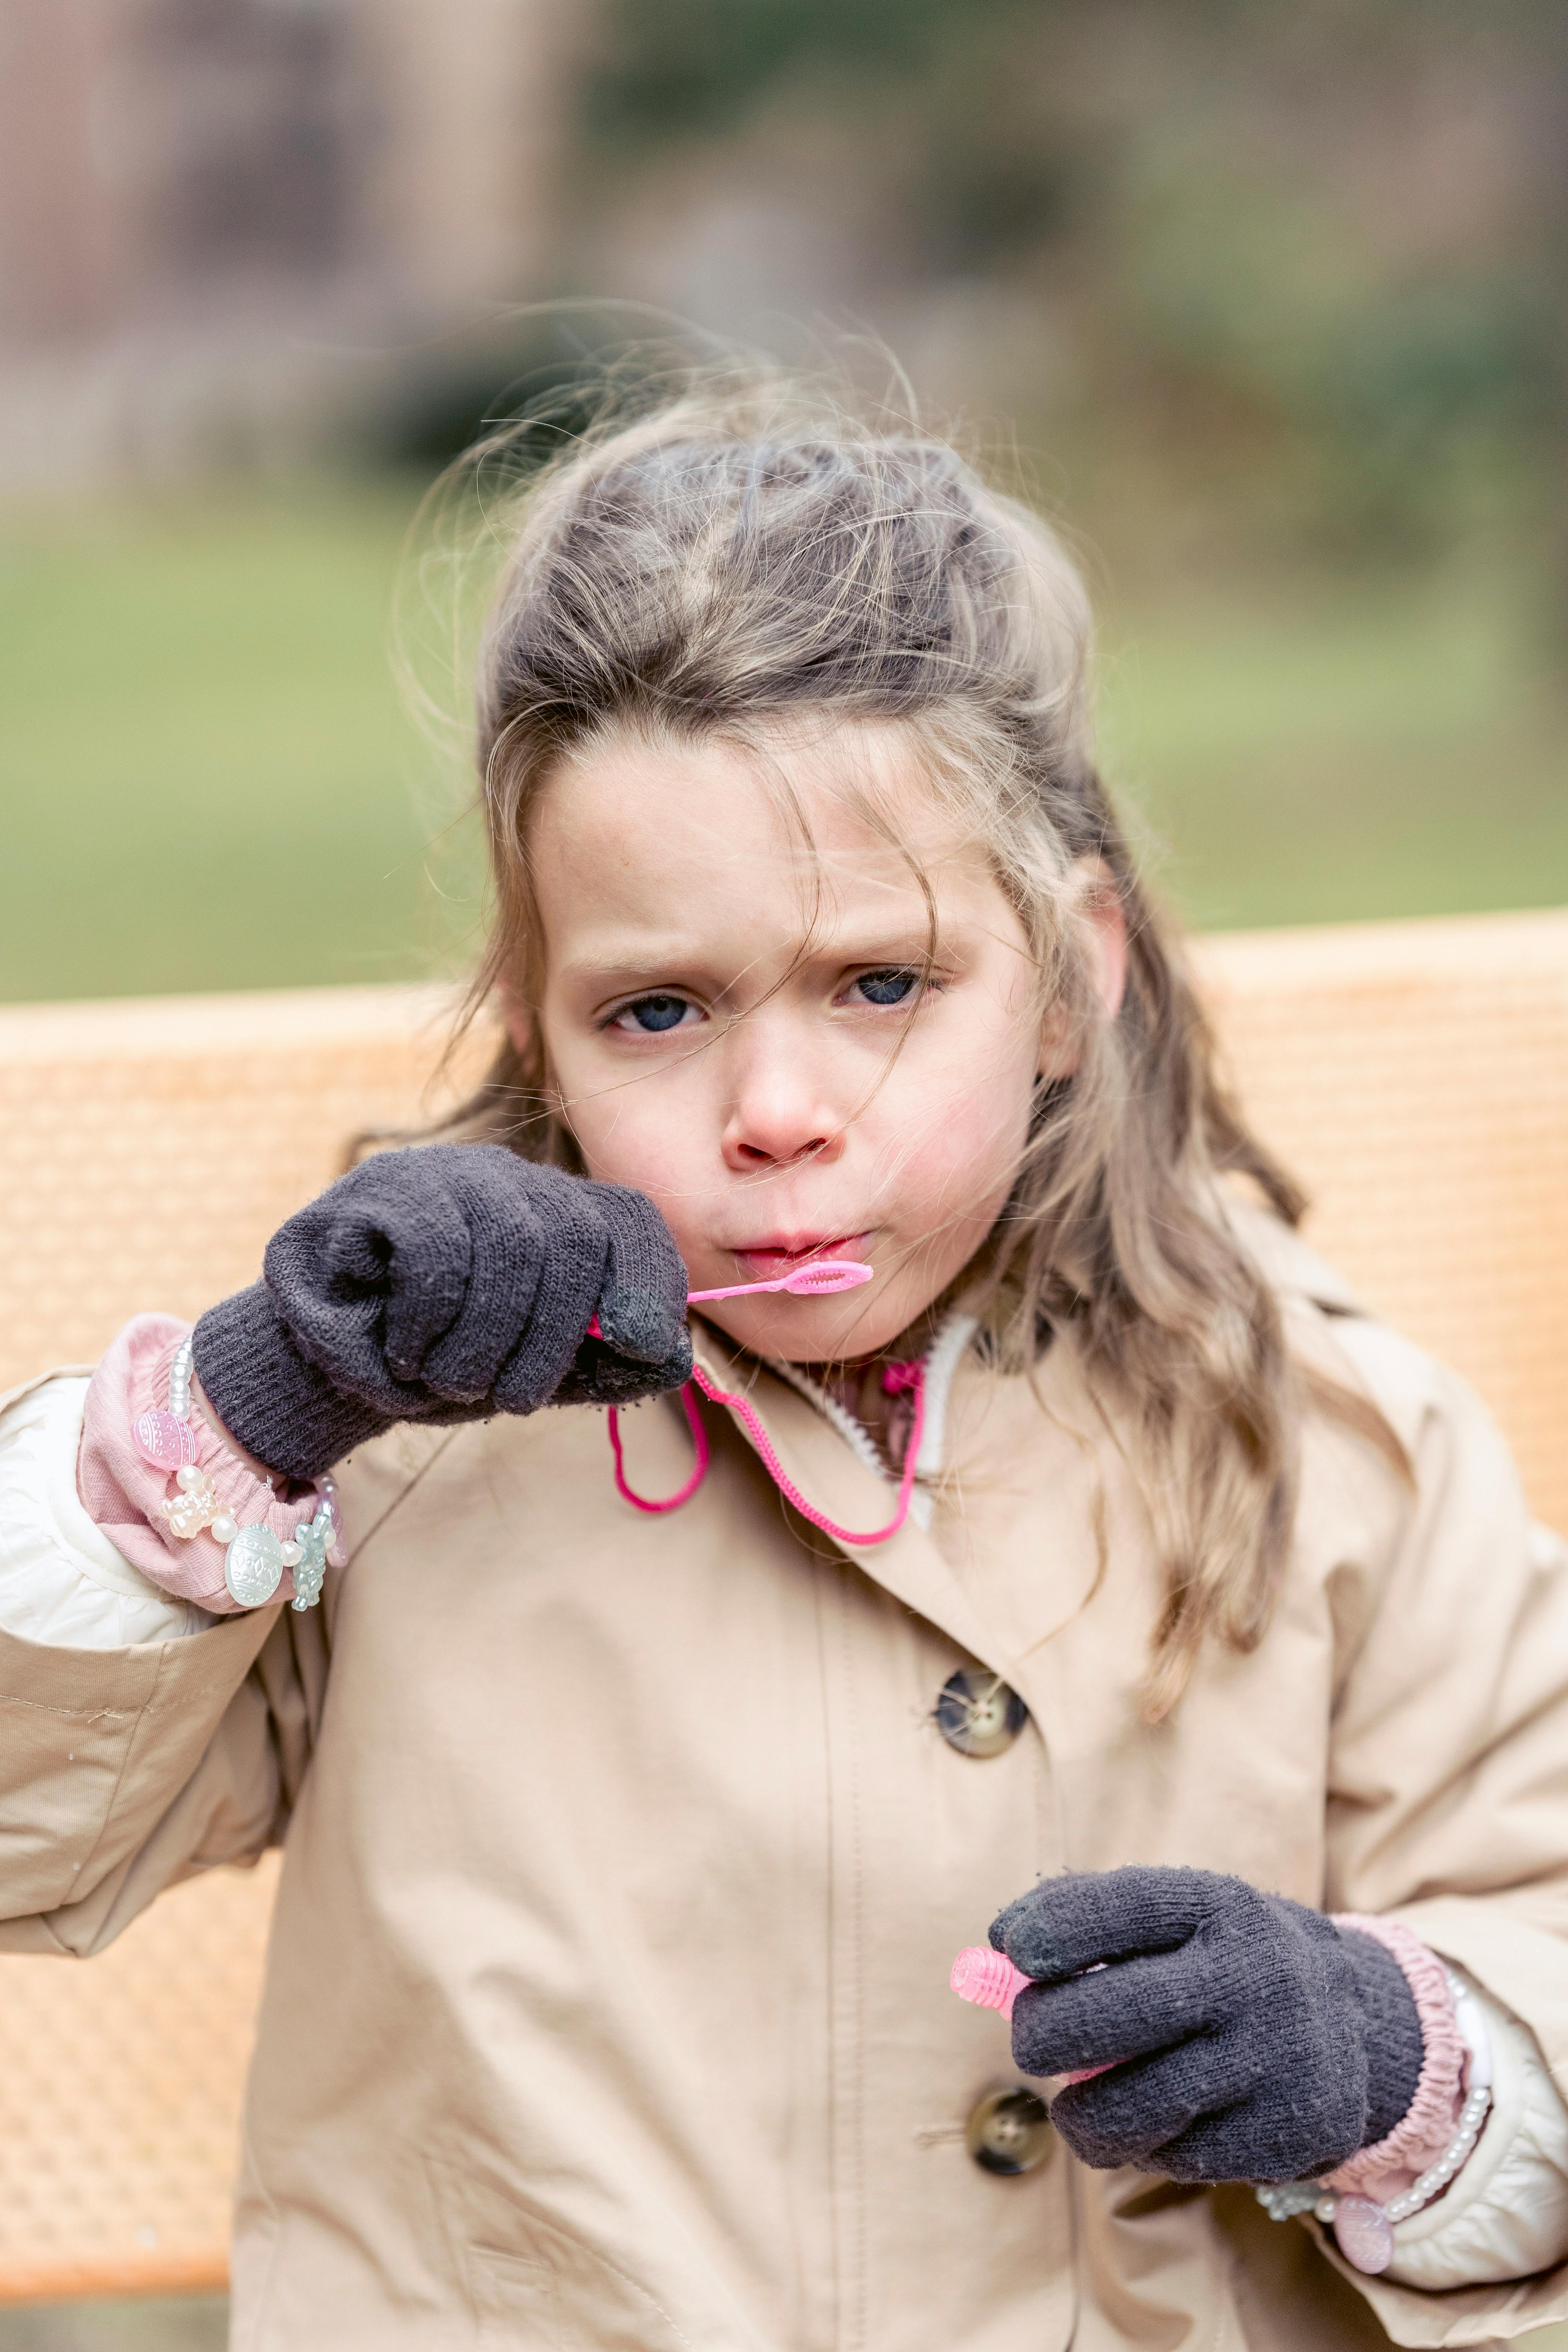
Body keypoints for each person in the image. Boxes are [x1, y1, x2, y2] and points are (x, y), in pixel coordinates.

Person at [2, 380, 1566, 2352]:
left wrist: (1404, 2067)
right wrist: (249, 1416)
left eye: (880, 986)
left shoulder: (1336, 1445)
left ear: (1074, 976)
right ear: (544, 1026)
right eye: (657, 1009)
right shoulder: (390, 1444)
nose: (773, 1109)